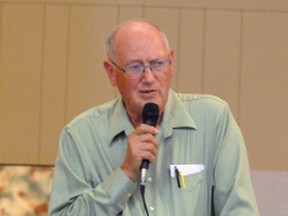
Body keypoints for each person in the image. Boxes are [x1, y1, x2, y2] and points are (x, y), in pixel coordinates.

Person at [49, 20, 259, 215]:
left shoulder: (213, 119)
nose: (149, 78)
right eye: (135, 67)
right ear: (111, 72)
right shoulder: (79, 136)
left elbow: (239, 210)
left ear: (172, 63)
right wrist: (125, 174)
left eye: (158, 64)